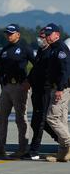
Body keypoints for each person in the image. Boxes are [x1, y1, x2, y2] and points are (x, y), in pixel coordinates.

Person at [0, 24, 35, 158]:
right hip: (6, 87)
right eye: (7, 33)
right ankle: (0, 147)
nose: (9, 35)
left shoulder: (25, 48)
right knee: (1, 117)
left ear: (18, 34)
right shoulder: (5, 50)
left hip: (20, 87)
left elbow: (37, 65)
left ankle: (23, 148)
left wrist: (29, 80)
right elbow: (0, 70)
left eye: (11, 33)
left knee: (20, 118)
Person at [22, 28, 59, 160]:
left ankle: (34, 150)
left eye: (43, 37)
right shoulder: (40, 51)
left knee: (40, 121)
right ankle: (61, 140)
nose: (40, 39)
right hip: (36, 90)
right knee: (37, 122)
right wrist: (29, 80)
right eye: (40, 36)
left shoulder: (51, 53)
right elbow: (35, 69)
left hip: (45, 90)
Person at [43, 23, 70, 162]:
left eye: (49, 34)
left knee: (51, 118)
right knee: (61, 119)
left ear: (57, 35)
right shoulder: (53, 49)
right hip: (56, 88)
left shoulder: (60, 49)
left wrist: (60, 88)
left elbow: (65, 71)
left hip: (62, 89)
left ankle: (67, 142)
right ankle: (63, 153)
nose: (47, 36)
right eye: (46, 34)